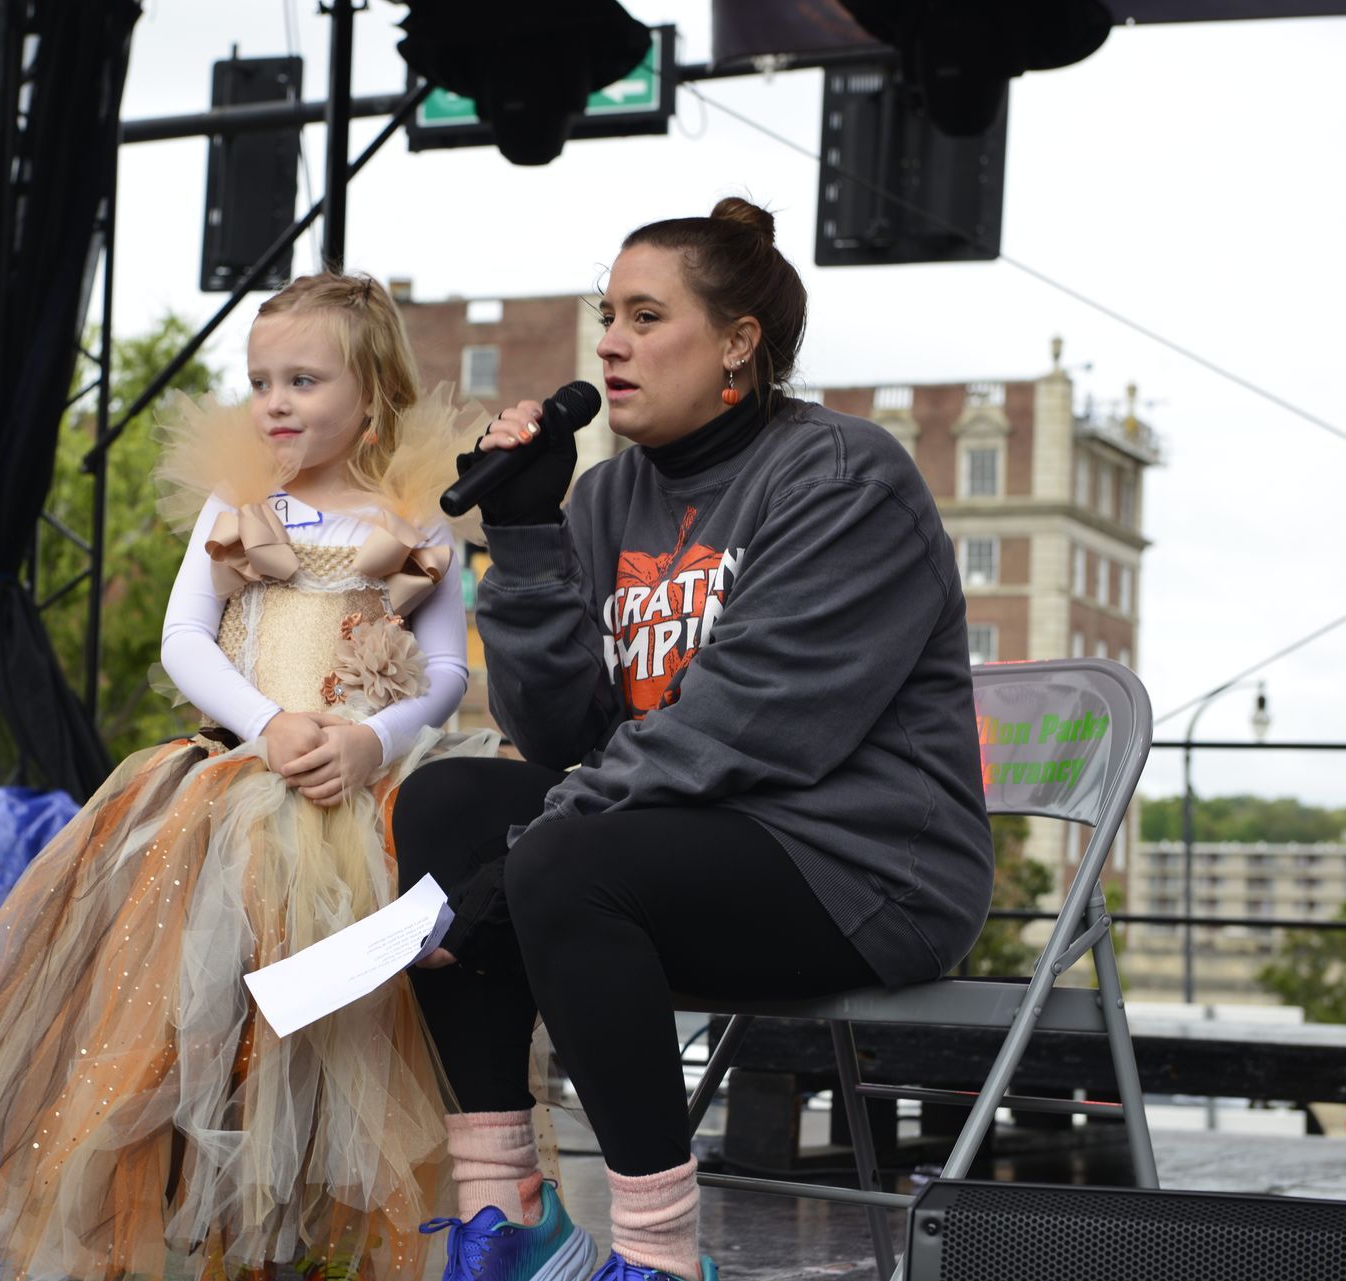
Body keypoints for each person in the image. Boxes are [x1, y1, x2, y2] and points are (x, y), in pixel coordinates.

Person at [391, 199, 995, 1281]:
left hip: (861, 865)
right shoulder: (611, 494)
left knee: (562, 859)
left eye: (644, 315)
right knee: (445, 808)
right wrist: (527, 540)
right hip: (680, 841)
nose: (609, 342)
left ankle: (659, 1260)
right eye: (605, 315)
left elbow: (743, 722)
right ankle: (509, 1225)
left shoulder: (842, 478)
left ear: (736, 343)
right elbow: (556, 730)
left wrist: (532, 853)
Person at [0, 271, 501, 1281]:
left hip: (351, 796)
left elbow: (445, 670)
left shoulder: (414, 522)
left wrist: (371, 741)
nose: (276, 403)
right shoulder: (245, 506)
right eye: (261, 382)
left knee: (334, 1036)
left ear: (372, 392)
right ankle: (178, 1221)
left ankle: (296, 1235)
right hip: (234, 784)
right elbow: (185, 639)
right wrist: (265, 725)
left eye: (304, 379)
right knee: (188, 1011)